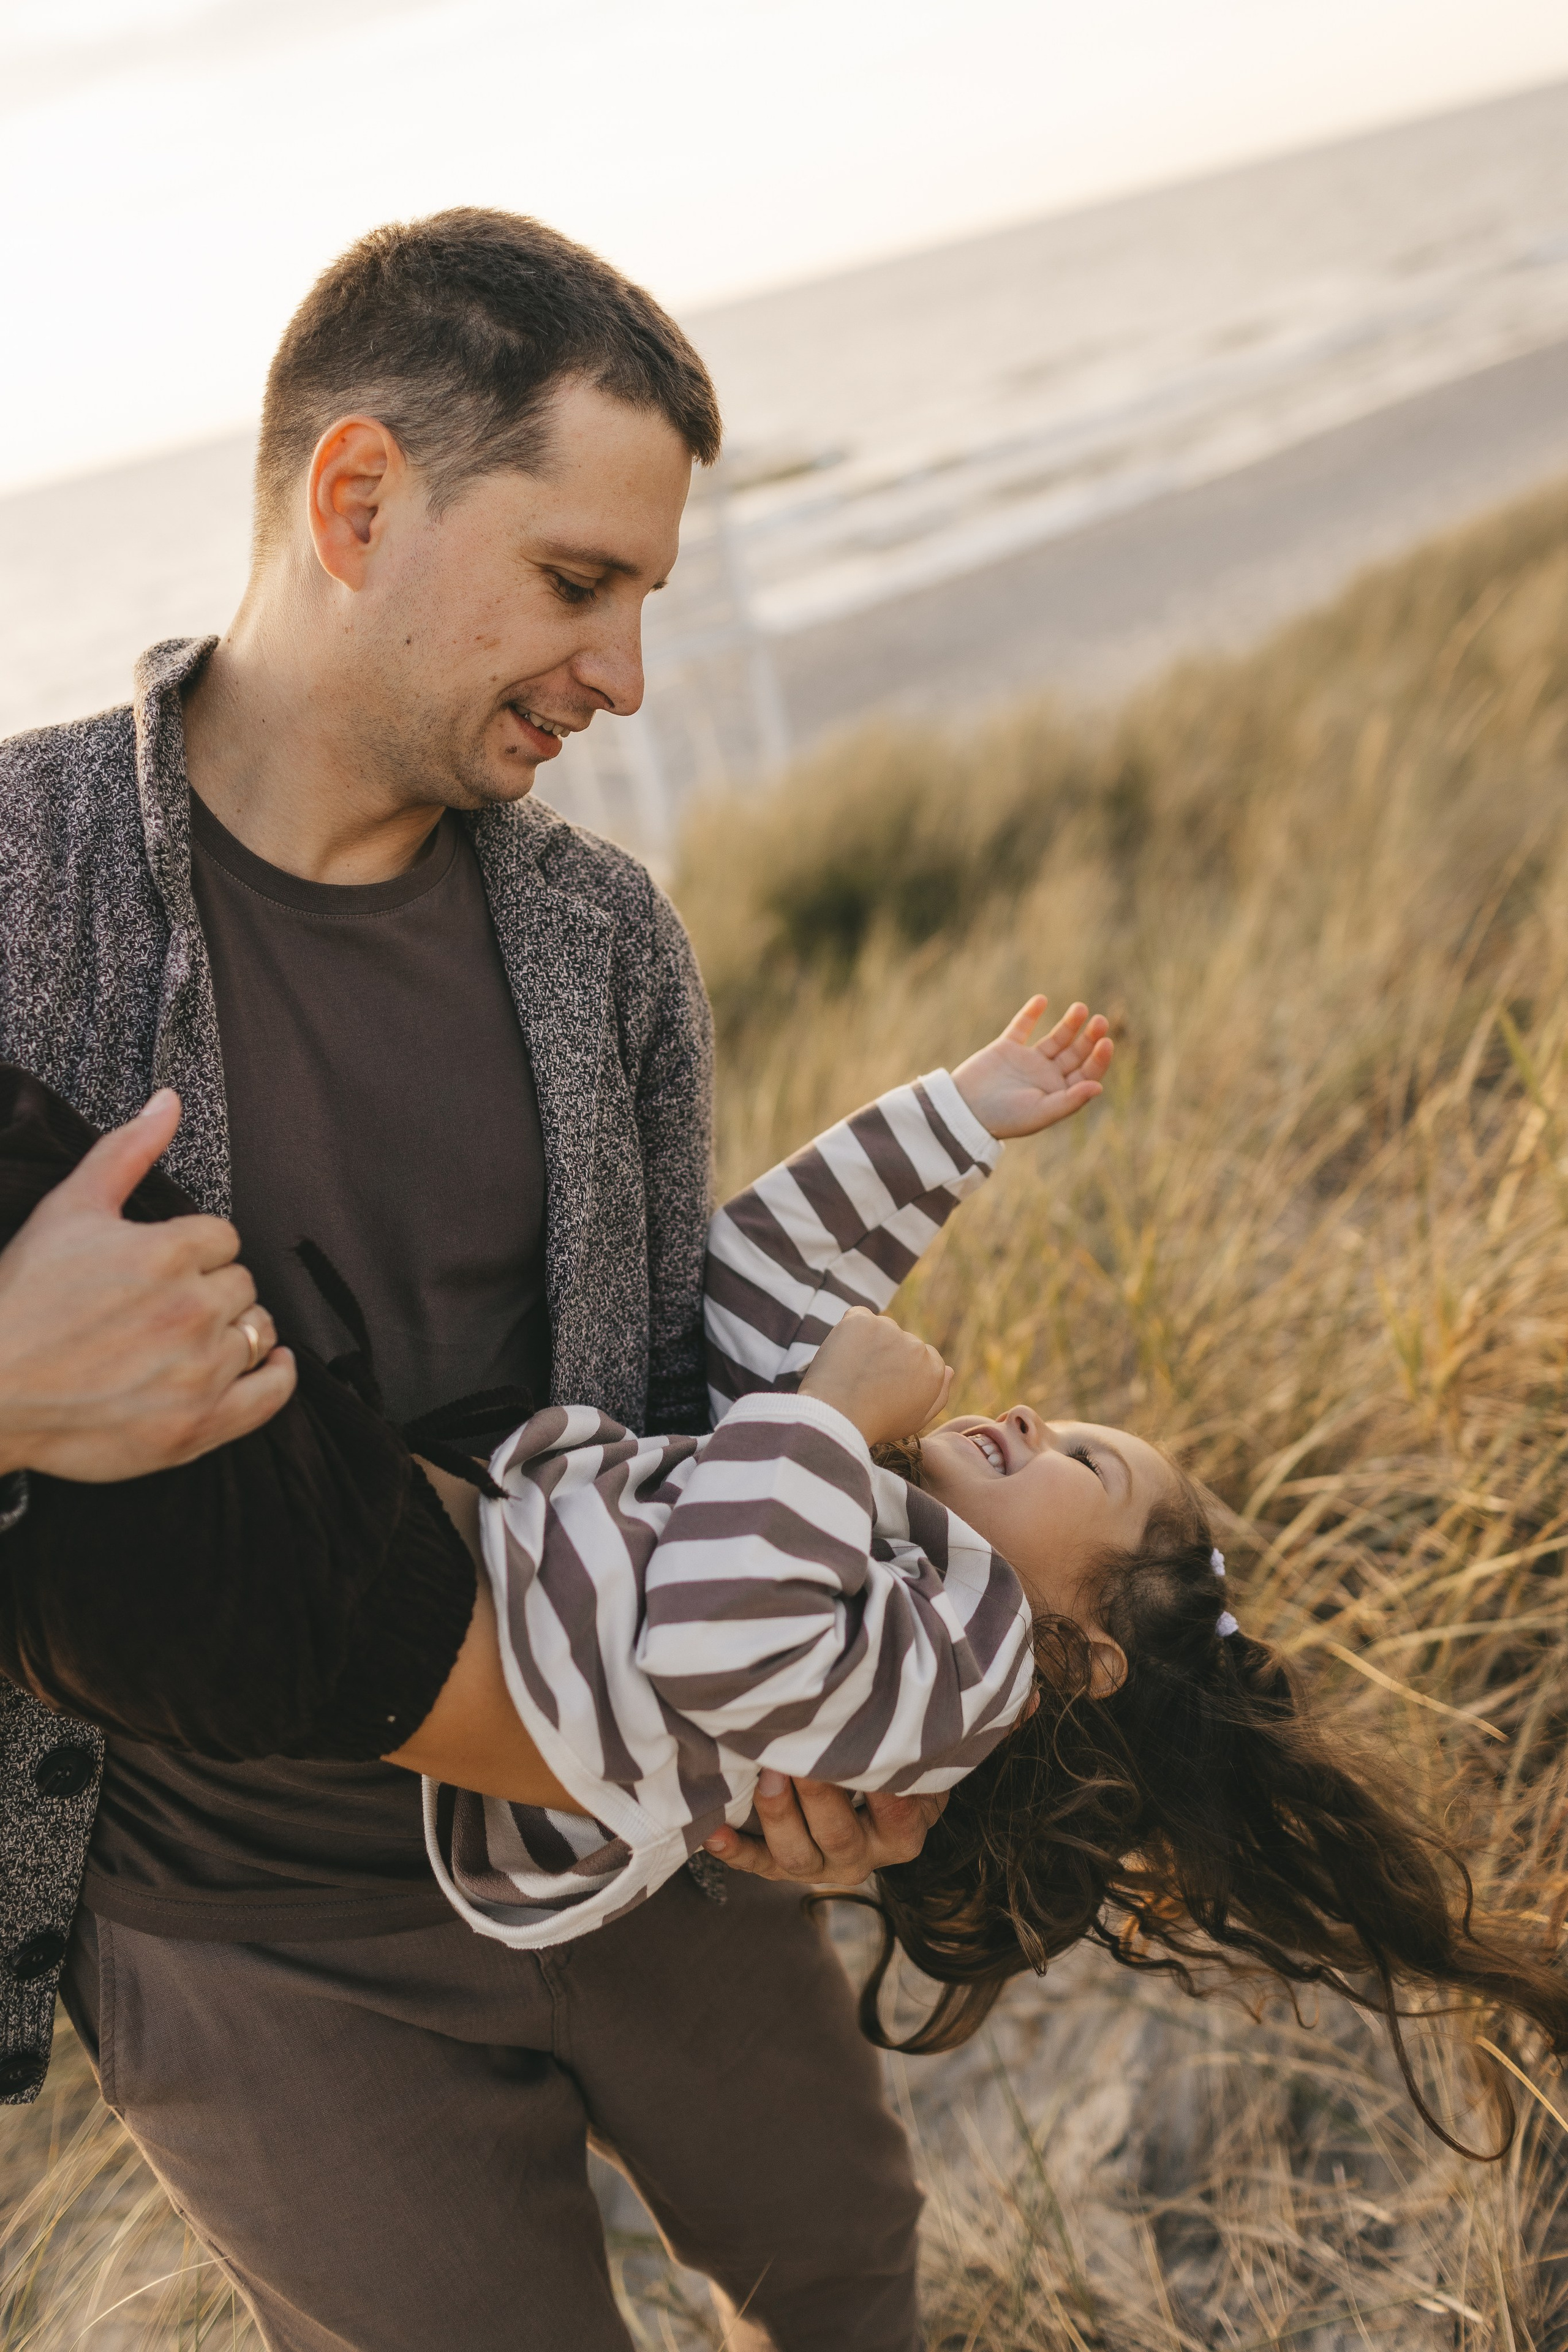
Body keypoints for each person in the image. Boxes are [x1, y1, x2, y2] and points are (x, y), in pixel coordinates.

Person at [0, 206, 941, 2352]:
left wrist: (788, 1733)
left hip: (635, 1825)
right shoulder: (10, 894)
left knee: (854, 2278)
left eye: (644, 602)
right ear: (357, 499)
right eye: (576, 583)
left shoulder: (609, 946)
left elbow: (683, 1415)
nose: (621, 676)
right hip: (244, 1941)